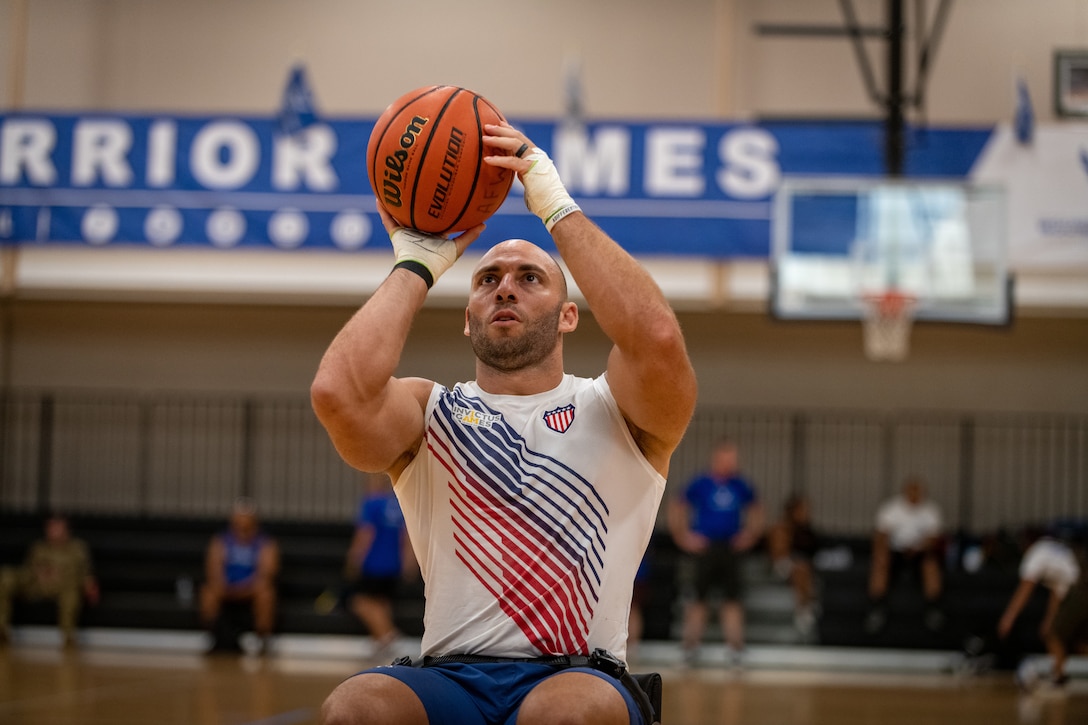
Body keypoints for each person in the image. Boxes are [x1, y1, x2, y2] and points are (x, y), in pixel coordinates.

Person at [311, 122, 696, 725]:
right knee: (356, 707)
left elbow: (656, 338)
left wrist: (556, 208)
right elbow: (338, 395)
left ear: (570, 316)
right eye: (488, 280)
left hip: (577, 674)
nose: (505, 288)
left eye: (529, 278)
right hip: (449, 677)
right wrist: (416, 264)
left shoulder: (616, 407)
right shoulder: (427, 411)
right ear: (468, 319)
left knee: (561, 714)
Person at [668, 439, 764, 665]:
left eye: (733, 458)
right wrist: (682, 536)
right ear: (716, 458)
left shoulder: (740, 484)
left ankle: (736, 650)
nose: (730, 462)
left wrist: (751, 534)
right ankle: (690, 649)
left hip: (730, 549)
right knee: (698, 599)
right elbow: (677, 504)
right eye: (727, 457)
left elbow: (757, 508)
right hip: (705, 548)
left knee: (732, 600)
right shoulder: (701, 483)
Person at [997, 530, 1086, 690]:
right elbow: (1058, 589)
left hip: (1080, 588)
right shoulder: (1051, 548)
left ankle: (1059, 679)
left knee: (1055, 634)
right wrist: (1050, 619)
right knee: (1073, 640)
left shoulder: (1035, 553)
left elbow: (1026, 588)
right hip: (1079, 586)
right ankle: (1058, 675)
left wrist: (1008, 618)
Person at [0, 514, 99, 648]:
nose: (53, 531)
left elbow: (85, 571)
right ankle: (2, 629)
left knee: (72, 593)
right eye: (50, 528)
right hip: (38, 585)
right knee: (6, 576)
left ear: (66, 529)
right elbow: (28, 569)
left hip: (64, 586)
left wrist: (90, 585)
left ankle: (68, 636)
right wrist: (39, 573)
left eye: (57, 528)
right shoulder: (39, 547)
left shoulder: (77, 548)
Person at [344, 475, 415, 657]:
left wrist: (354, 558)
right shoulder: (398, 504)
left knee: (359, 601)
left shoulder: (371, 504)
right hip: (393, 564)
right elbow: (406, 537)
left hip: (374, 563)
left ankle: (388, 635)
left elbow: (365, 534)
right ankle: (381, 641)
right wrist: (408, 562)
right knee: (382, 602)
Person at [199, 498, 280, 654]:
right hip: (227, 587)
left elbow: (267, 573)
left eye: (245, 519)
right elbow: (213, 569)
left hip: (252, 589)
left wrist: (245, 589)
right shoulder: (221, 541)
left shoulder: (265, 543)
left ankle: (262, 641)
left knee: (266, 593)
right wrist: (226, 586)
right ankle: (214, 636)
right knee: (208, 592)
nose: (242, 523)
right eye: (238, 519)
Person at [865, 476, 945, 634]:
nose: (914, 495)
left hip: (920, 552)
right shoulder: (891, 508)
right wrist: (881, 553)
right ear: (905, 492)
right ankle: (877, 607)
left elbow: (934, 539)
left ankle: (933, 608)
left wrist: (919, 547)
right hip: (896, 551)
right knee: (880, 562)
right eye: (911, 492)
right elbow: (881, 536)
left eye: (918, 492)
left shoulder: (931, 510)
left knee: (930, 564)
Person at [768, 493, 821, 636]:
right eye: (802, 510)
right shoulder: (781, 528)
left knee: (803, 568)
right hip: (783, 564)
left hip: (801, 566)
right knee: (801, 568)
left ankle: (807, 604)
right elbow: (779, 553)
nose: (806, 513)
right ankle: (804, 609)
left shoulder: (806, 530)